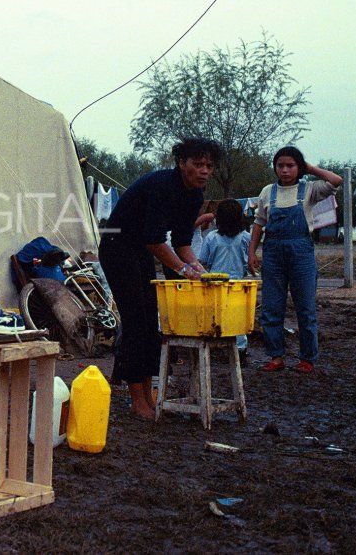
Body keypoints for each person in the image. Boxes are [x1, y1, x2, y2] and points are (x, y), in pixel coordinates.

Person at [99, 137, 222, 420]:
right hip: (118, 247)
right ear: (181, 163)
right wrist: (183, 270)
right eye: (198, 164)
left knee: (149, 320)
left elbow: (182, 242)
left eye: (209, 166)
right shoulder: (162, 186)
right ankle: (136, 399)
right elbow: (154, 239)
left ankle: (148, 392)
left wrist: (200, 270)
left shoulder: (194, 195)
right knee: (135, 319)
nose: (204, 171)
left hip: (141, 250)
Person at [248, 147, 342, 374]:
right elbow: (259, 223)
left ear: (299, 167)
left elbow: (336, 180)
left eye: (291, 165)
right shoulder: (267, 192)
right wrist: (251, 253)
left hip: (301, 253)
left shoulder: (309, 189)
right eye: (280, 165)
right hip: (273, 253)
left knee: (305, 308)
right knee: (271, 307)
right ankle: (276, 356)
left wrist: (308, 167)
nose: (285, 170)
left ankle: (307, 358)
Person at [198, 198, 252, 359]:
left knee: (214, 314)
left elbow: (203, 260)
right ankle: (240, 349)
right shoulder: (246, 237)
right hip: (238, 284)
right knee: (237, 316)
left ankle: (214, 346)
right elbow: (249, 260)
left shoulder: (211, 237)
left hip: (214, 283)